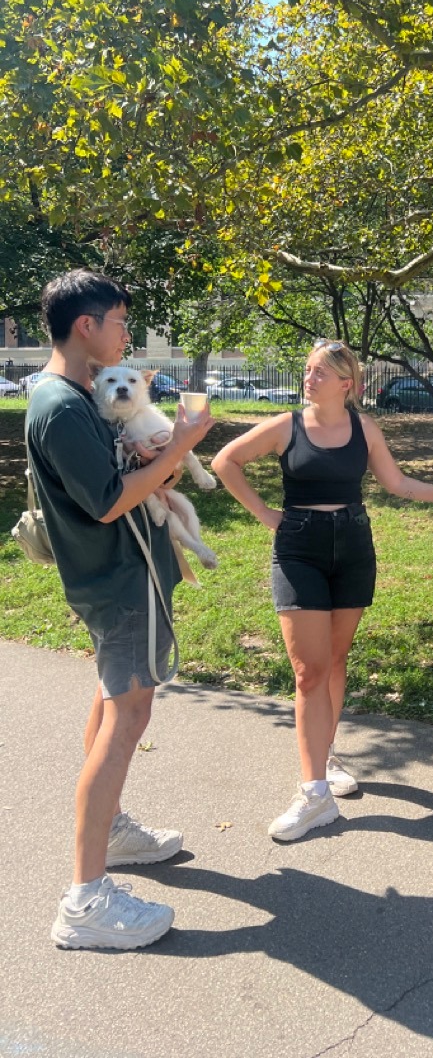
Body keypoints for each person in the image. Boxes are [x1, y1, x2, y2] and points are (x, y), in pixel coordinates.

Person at [27, 270, 215, 950]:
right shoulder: (61, 407)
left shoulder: (79, 397)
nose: (126, 335)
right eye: (120, 323)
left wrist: (163, 456)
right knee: (129, 711)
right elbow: (109, 501)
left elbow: (125, 482)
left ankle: (111, 834)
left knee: (113, 705)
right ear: (87, 326)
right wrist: (186, 444)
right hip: (114, 580)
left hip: (122, 574)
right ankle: (84, 901)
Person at [211, 339, 433, 841]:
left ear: (347, 383)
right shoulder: (287, 426)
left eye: (320, 372)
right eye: (307, 370)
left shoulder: (364, 429)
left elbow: (397, 483)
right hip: (299, 548)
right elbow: (225, 461)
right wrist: (266, 516)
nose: (309, 378)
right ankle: (313, 795)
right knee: (309, 672)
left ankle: (324, 757)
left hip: (352, 547)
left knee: (336, 661)